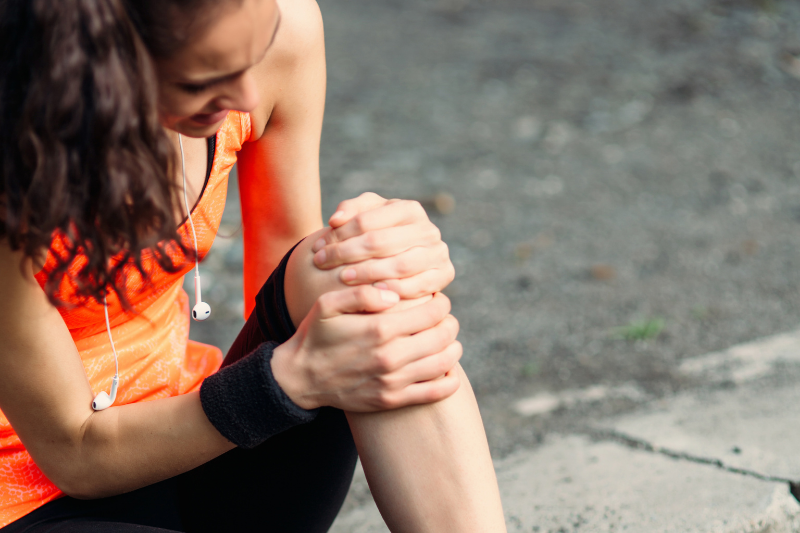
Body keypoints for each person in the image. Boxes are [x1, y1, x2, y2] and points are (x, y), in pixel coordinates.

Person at [0, 0, 507, 531]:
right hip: (37, 501)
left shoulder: (283, 27)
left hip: (192, 442)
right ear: (92, 60)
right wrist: (290, 381)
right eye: (206, 79)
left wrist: (385, 253)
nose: (248, 94)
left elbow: (292, 280)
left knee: (358, 277)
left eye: (254, 53)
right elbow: (76, 453)